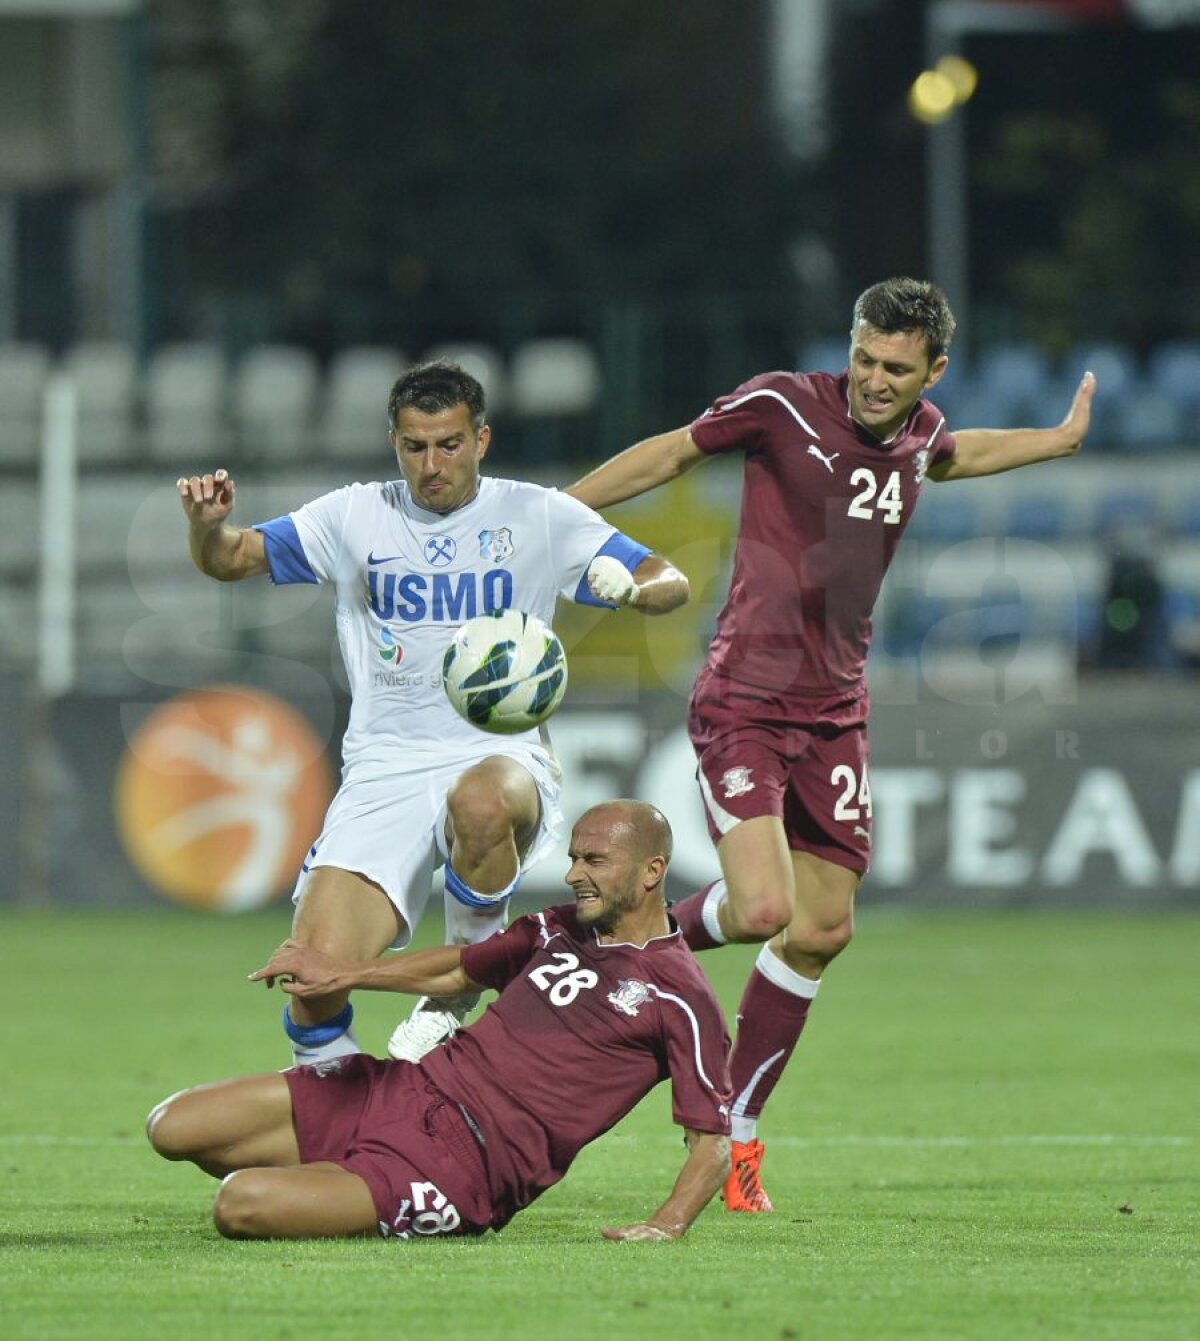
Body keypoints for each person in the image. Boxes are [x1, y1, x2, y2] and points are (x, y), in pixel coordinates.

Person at [566, 277, 1095, 1213]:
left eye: (897, 368)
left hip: (836, 713)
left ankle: (738, 1135)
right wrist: (555, 516)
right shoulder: (781, 404)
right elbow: (673, 451)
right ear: (848, 345)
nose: (875, 380)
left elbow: (955, 454)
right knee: (766, 906)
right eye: (864, 358)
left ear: (934, 370)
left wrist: (1056, 440)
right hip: (745, 700)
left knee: (822, 929)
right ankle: (600, 940)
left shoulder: (923, 431)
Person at [177, 360, 689, 1068]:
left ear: (481, 439)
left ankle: (459, 985)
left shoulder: (538, 515)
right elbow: (231, 559)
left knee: (481, 801)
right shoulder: (355, 515)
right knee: (313, 979)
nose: (431, 464)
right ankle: (344, 1108)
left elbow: (670, 578)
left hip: (500, 756)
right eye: (415, 447)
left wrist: (632, 590)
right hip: (384, 767)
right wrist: (206, 528)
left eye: (449, 444)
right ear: (394, 442)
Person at [146, 801, 733, 1242]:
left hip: (463, 1166)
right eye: (574, 857)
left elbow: (712, 1145)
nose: (575, 873)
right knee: (171, 1126)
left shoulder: (680, 997)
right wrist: (340, 973)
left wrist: (666, 1224)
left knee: (240, 1205)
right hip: (402, 1089)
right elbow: (459, 969)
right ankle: (346, 1181)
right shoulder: (558, 927)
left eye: (595, 861)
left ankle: (357, 1188)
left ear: (652, 871)